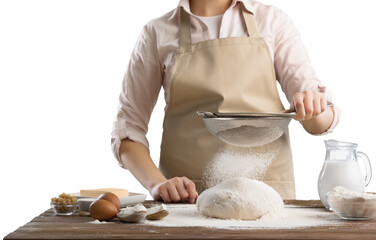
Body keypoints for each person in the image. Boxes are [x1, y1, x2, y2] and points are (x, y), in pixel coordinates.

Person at [111, 0, 340, 204]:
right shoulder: (157, 33)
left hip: (268, 197)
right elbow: (127, 131)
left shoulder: (272, 21)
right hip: (187, 200)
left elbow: (317, 123)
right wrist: (157, 184)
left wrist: (313, 106)